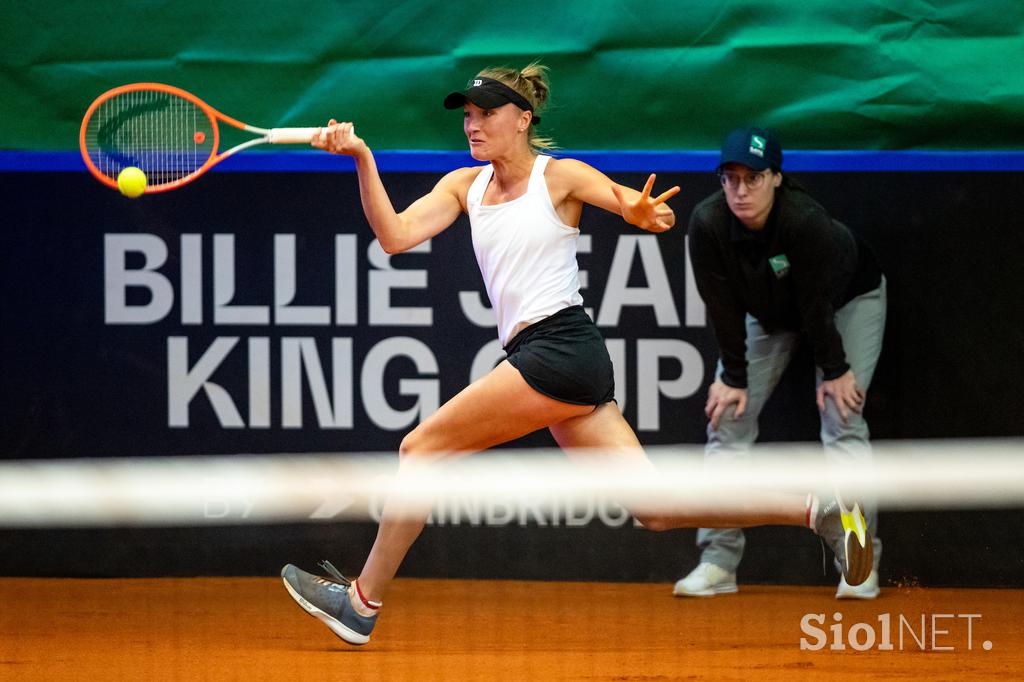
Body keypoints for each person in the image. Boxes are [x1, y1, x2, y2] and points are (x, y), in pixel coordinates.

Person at [280, 66, 873, 646]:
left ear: (522, 119)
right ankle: (813, 510)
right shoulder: (463, 186)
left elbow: (645, 209)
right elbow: (395, 235)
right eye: (467, 114)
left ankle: (361, 603)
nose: (473, 124)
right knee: (656, 508)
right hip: (562, 359)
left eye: (486, 113)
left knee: (420, 449)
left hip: (559, 348)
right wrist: (362, 158)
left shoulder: (559, 177)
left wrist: (643, 213)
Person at [675, 126, 887, 601]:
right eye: (730, 179)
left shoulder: (804, 220)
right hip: (770, 314)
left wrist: (835, 371)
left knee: (842, 417)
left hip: (847, 302)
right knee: (727, 419)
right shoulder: (708, 223)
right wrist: (733, 377)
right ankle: (718, 562)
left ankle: (858, 562)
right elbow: (721, 305)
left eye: (753, 178)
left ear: (776, 178)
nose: (740, 190)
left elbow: (817, 305)